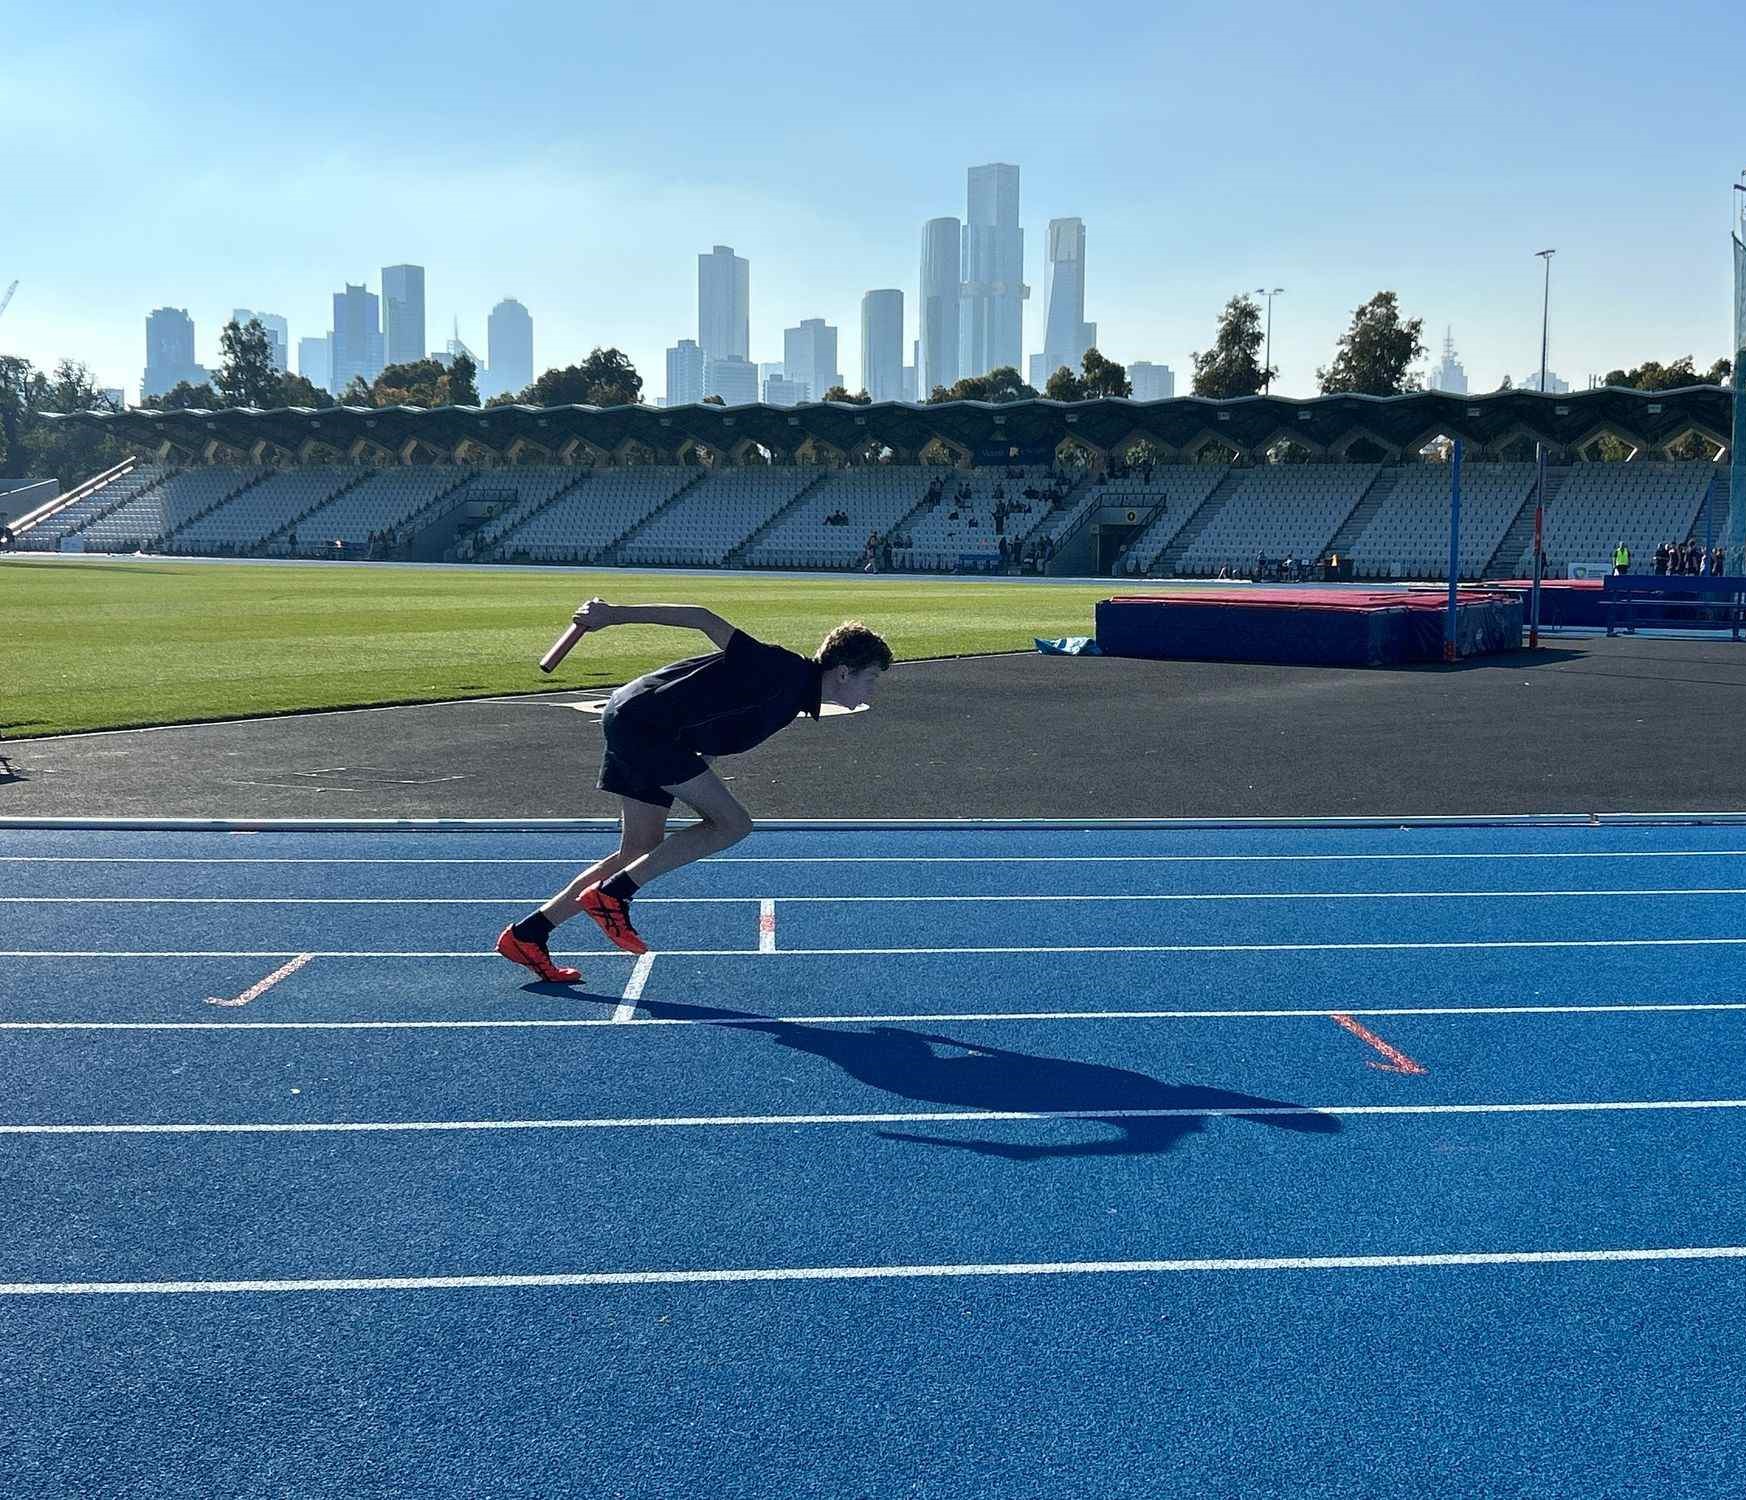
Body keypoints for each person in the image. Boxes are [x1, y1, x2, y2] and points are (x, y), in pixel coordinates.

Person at [497, 602, 893, 981]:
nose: (871, 691)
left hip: (638, 722)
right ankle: (612, 895)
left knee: (638, 851)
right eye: (871, 678)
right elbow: (703, 618)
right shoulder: (783, 670)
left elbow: (713, 733)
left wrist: (697, 773)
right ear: (843, 672)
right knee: (733, 824)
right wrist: (613, 615)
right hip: (645, 726)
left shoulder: (791, 698)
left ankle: (528, 935)